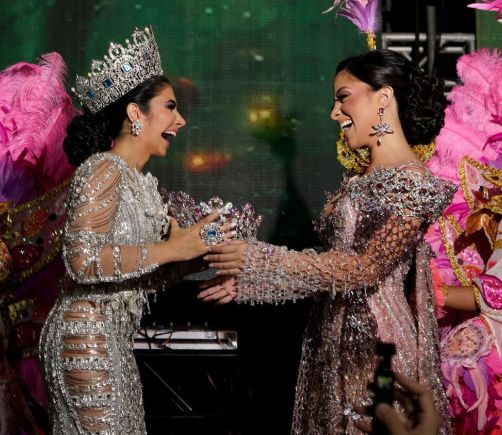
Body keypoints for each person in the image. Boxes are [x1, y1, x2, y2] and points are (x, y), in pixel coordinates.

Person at [199, 49, 455, 434]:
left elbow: (365, 268)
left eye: (343, 97)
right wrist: (252, 280)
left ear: (383, 97)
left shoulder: (413, 182)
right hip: (333, 340)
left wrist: (260, 261)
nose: (335, 113)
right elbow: (332, 262)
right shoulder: (360, 178)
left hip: (379, 350)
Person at [39, 26, 231, 434]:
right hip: (85, 338)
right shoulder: (103, 168)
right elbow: (82, 261)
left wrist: (186, 262)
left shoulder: (139, 182)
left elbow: (127, 277)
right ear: (135, 114)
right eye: (170, 107)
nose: (180, 120)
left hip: (113, 338)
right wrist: (172, 250)